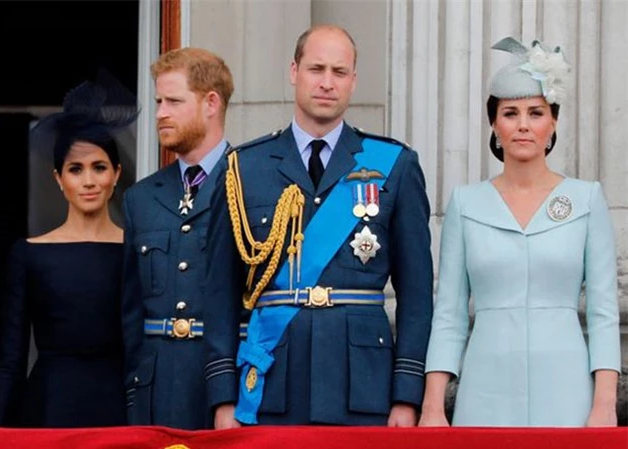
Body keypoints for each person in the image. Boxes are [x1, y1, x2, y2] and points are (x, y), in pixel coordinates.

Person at [203, 24, 433, 428]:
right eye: (316, 69)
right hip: (270, 385)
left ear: (354, 81)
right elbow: (220, 293)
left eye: (339, 72)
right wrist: (223, 399)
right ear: (294, 71)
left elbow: (416, 295)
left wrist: (407, 396)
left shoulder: (393, 164)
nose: (327, 83)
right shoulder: (244, 168)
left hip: (363, 388)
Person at [419, 37, 621, 427]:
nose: (524, 125)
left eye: (536, 112)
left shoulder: (586, 199)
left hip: (568, 387)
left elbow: (602, 313)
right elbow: (449, 314)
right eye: (511, 113)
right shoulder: (466, 203)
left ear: (553, 121)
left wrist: (605, 403)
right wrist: (432, 405)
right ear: (494, 124)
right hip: (485, 386)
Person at [0, 74, 138, 427]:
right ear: (59, 178)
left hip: (120, 412)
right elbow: (10, 361)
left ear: (115, 174)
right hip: (48, 411)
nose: (88, 180)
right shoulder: (29, 254)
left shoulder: (136, 250)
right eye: (76, 169)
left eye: (99, 167)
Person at [121, 47, 236, 429]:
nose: (160, 114)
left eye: (173, 101)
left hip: (227, 387)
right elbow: (132, 310)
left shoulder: (251, 184)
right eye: (158, 101)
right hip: (156, 392)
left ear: (211, 103)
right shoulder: (141, 198)